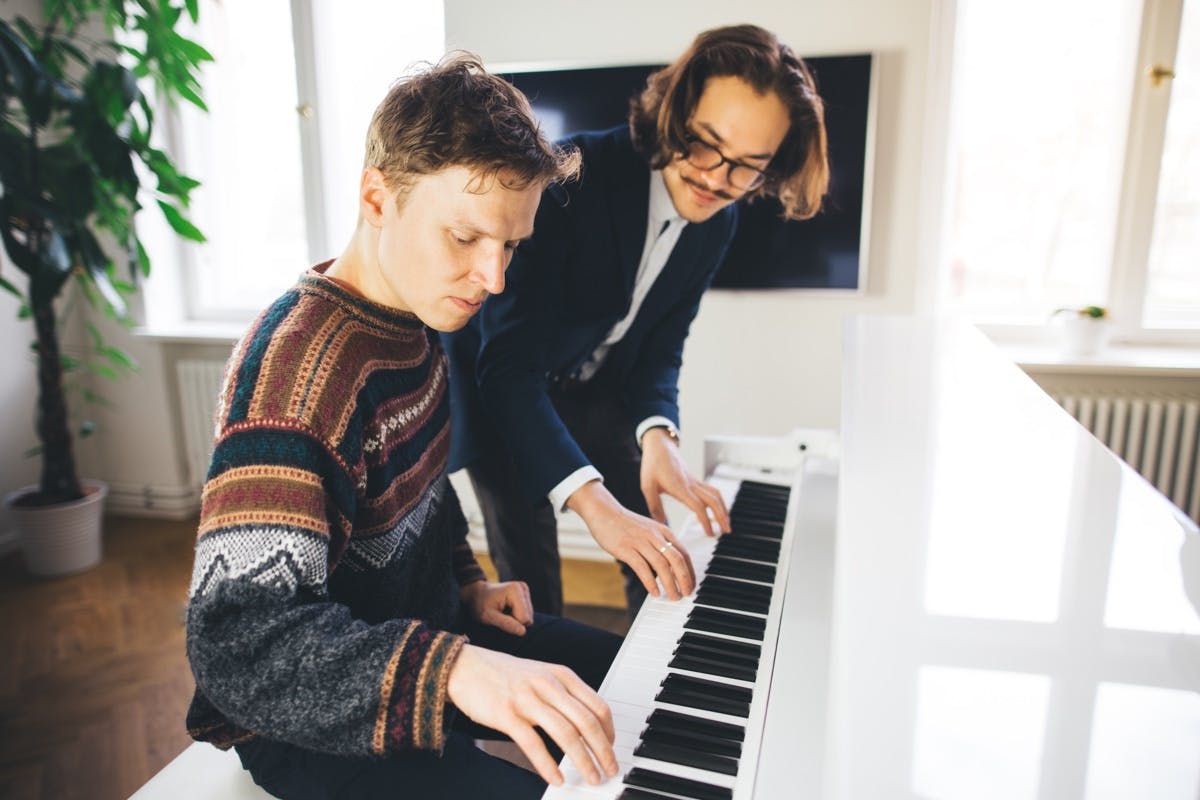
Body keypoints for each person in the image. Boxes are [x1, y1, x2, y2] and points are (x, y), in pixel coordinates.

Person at [183, 54, 623, 800]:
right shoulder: (294, 375)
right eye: (465, 238)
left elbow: (426, 500)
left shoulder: (417, 322)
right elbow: (240, 646)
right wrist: (453, 668)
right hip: (304, 725)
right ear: (377, 199)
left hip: (424, 641)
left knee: (631, 683)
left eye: (511, 244)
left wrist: (467, 586)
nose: (495, 277)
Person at [444, 24, 830, 617]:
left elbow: (660, 346)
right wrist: (593, 506)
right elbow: (508, 366)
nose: (717, 179)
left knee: (649, 538)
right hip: (501, 393)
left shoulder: (718, 220)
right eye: (705, 144)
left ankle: (650, 663)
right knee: (532, 579)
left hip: (593, 387)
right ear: (676, 113)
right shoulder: (574, 178)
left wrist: (658, 436)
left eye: (749, 166)